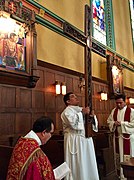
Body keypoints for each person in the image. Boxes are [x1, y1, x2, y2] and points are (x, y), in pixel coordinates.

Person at [61, 92, 99, 180]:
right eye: (73, 97)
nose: (76, 97)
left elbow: (91, 125)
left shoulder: (81, 109)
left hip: (85, 139)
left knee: (87, 161)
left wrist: (92, 117)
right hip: (74, 140)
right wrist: (82, 113)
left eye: (75, 95)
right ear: (68, 101)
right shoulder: (66, 111)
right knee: (78, 162)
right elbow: (73, 124)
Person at [107, 94, 134, 180]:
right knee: (118, 156)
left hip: (128, 139)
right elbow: (109, 121)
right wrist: (113, 123)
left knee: (129, 156)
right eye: (117, 103)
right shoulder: (114, 111)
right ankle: (120, 175)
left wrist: (122, 123)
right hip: (118, 138)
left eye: (120, 103)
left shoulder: (132, 111)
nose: (118, 105)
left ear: (125, 101)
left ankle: (130, 175)